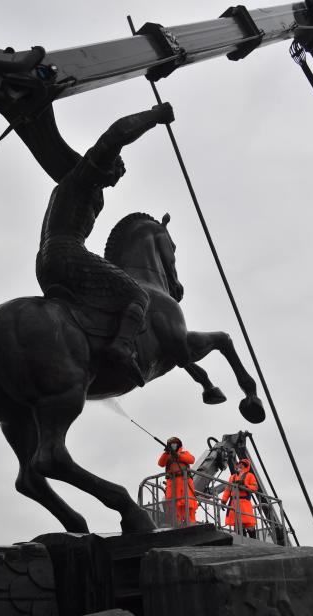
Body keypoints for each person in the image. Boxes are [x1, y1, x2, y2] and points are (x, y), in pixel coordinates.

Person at [36, 103, 174, 388]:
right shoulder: (85, 175)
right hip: (66, 251)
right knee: (138, 296)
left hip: (47, 260)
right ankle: (122, 348)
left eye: (118, 177)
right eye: (116, 170)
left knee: (103, 300)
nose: (114, 179)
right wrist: (155, 116)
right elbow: (117, 134)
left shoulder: (72, 184)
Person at [158, 436, 198, 526]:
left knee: (188, 504)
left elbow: (191, 460)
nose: (173, 445)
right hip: (172, 482)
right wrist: (166, 453)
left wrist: (178, 456)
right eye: (171, 444)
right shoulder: (167, 455)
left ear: (178, 445)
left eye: (175, 443)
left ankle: (191, 524)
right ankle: (177, 524)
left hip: (184, 482)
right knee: (173, 505)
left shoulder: (185, 452)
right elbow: (160, 463)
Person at [221, 458, 258, 538]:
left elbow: (255, 487)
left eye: (242, 464)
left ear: (245, 465)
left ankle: (254, 541)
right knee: (237, 524)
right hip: (234, 503)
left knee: (249, 523)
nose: (239, 465)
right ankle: (242, 542)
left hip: (244, 502)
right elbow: (227, 490)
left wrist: (245, 486)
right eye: (239, 463)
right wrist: (223, 501)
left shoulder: (250, 475)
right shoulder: (232, 477)